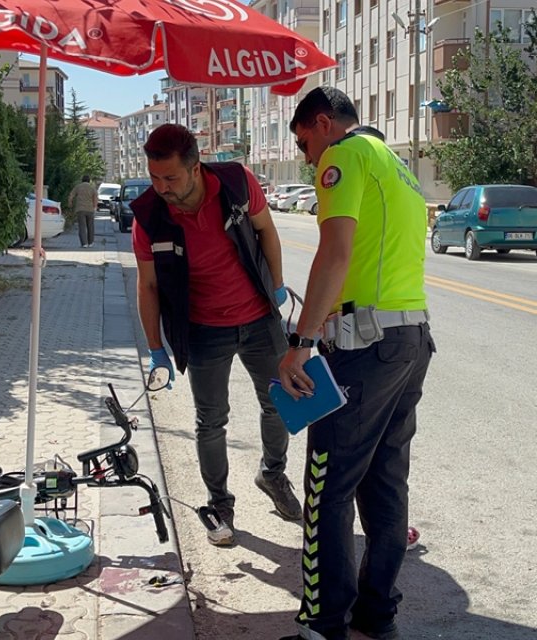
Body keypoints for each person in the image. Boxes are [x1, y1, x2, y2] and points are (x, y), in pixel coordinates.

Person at [277, 87, 434, 640]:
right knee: (386, 483)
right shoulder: (395, 163)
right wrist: (326, 316)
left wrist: (299, 340)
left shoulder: (343, 155)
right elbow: (372, 258)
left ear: (324, 124)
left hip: (366, 349)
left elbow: (335, 252)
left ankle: (322, 623)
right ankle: (376, 614)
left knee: (327, 485)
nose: (307, 158)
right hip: (410, 340)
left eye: (304, 142)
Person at [131, 123, 302, 546]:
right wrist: (156, 348)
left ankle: (273, 474)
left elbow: (266, 230)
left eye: (170, 177)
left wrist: (276, 284)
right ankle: (219, 504)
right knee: (210, 421)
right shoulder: (149, 215)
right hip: (203, 328)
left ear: (195, 167)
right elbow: (148, 285)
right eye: (154, 176)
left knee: (279, 401)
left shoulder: (235, 182)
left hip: (260, 317)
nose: (161, 187)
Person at [66, 174, 98, 247]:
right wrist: (95, 207)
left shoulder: (78, 187)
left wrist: (70, 203)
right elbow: (95, 198)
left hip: (80, 209)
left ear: (82, 180)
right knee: (90, 226)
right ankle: (91, 242)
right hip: (90, 209)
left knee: (82, 226)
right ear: (89, 180)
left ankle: (84, 243)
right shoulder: (92, 188)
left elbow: (71, 195)